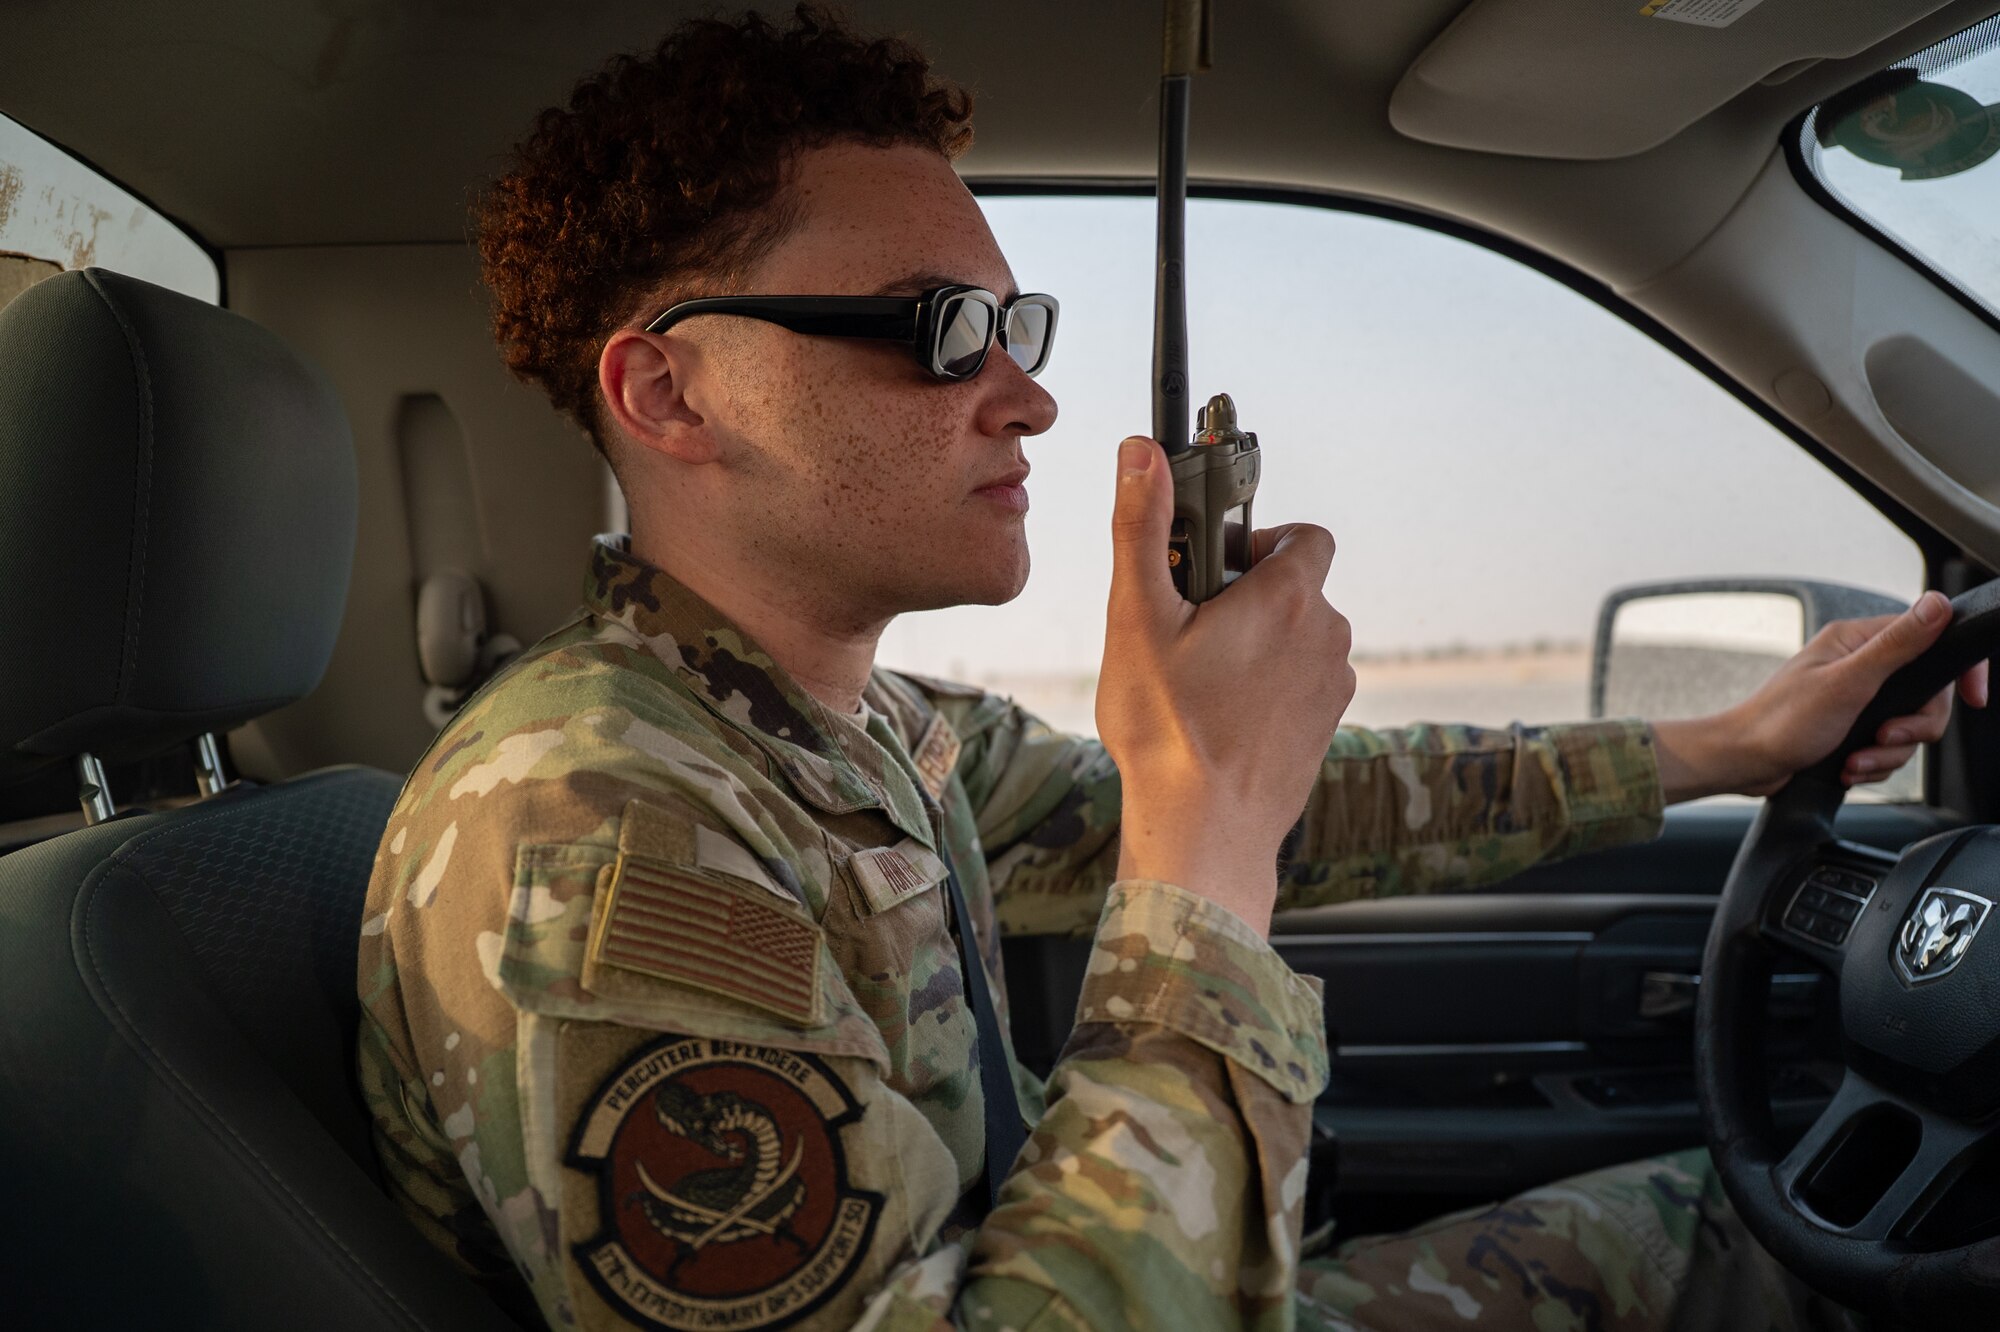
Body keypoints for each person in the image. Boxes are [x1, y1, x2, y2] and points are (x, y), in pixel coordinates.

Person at [355, 9, 1985, 1330]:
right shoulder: (594, 833)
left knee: (1772, 1222)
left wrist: (1728, 742)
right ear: (669, 396)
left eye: (1020, 331)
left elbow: (1289, 810)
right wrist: (1200, 855)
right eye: (937, 333)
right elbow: (1199, 830)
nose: (1027, 401)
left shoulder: (853, 733)